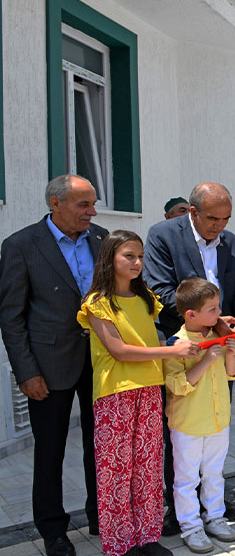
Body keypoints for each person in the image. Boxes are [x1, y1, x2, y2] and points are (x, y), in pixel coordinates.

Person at [143, 182, 235, 531]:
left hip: (221, 346)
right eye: (212, 219)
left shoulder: (232, 242)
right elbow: (160, 290)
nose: (219, 226)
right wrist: (209, 320)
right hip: (183, 344)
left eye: (226, 219)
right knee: (182, 433)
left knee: (215, 427)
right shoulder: (163, 235)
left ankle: (213, 503)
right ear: (193, 212)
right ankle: (180, 507)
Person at [0, 175, 106, 556]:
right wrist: (26, 371)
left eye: (93, 204)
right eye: (83, 205)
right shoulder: (21, 245)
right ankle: (53, 531)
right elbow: (11, 316)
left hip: (102, 361)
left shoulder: (101, 239)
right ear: (55, 203)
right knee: (50, 452)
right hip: (48, 367)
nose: (92, 212)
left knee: (102, 446)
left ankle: (102, 516)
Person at [77, 230, 198, 556]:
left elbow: (152, 342)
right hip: (115, 394)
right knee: (116, 472)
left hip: (149, 390)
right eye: (129, 256)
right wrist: (171, 352)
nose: (137, 262)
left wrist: (190, 340)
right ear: (110, 258)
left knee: (148, 468)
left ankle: (147, 537)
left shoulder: (146, 298)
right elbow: (120, 351)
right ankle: (120, 545)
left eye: (140, 256)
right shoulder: (97, 303)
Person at [163, 279, 235, 553]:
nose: (219, 314)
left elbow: (232, 373)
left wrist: (231, 354)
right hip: (188, 424)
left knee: (214, 473)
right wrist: (206, 360)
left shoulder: (217, 337)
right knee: (186, 478)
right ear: (191, 314)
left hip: (218, 420)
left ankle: (215, 517)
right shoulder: (176, 343)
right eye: (212, 309)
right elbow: (176, 385)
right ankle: (190, 526)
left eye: (218, 307)